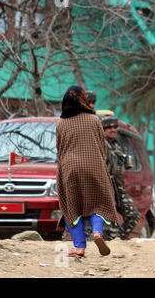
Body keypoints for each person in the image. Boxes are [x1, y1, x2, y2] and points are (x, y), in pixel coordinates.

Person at [56, 86, 117, 258]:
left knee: (71, 206)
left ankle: (79, 247)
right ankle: (97, 232)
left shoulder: (61, 123)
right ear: (83, 100)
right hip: (94, 165)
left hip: (70, 168)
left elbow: (59, 149)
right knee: (99, 203)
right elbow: (101, 145)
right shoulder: (94, 120)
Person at [101, 115, 141, 240]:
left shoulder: (116, 145)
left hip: (118, 186)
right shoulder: (101, 145)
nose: (113, 130)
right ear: (103, 130)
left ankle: (120, 240)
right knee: (112, 221)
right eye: (109, 127)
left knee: (133, 215)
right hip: (106, 186)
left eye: (115, 127)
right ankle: (114, 243)